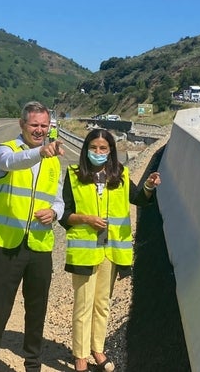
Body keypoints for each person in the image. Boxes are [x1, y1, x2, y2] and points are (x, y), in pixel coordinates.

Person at [0, 101, 65, 372]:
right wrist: (40, 152)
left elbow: (59, 199)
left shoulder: (53, 162)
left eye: (44, 126)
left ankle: (33, 364)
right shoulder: (6, 150)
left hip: (39, 245)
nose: (39, 130)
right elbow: (12, 164)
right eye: (34, 125)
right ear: (22, 124)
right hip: (7, 245)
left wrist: (55, 213)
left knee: (37, 311)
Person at [60, 128, 160, 372]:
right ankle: (80, 355)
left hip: (111, 252)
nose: (98, 152)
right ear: (86, 150)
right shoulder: (74, 175)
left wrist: (148, 185)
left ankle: (97, 349)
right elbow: (63, 215)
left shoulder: (121, 175)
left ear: (111, 151)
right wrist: (86, 219)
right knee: (83, 304)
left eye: (103, 148)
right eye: (93, 148)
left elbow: (140, 198)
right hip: (85, 252)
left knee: (102, 303)